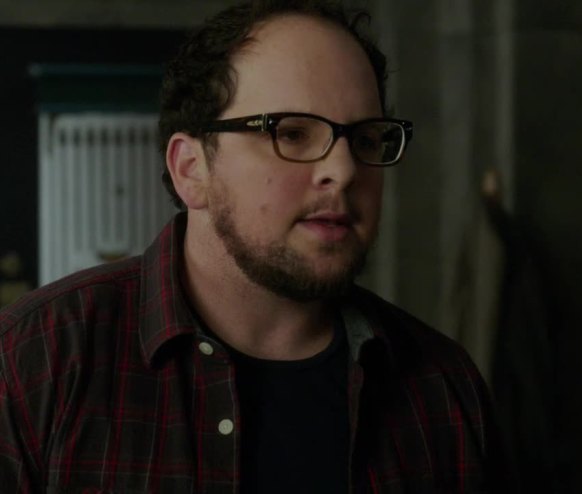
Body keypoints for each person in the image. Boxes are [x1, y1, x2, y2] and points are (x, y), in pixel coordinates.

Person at [0, 1, 504, 492]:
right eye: (293, 133)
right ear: (191, 170)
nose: (345, 170)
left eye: (367, 139)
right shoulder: (35, 362)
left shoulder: (443, 387)